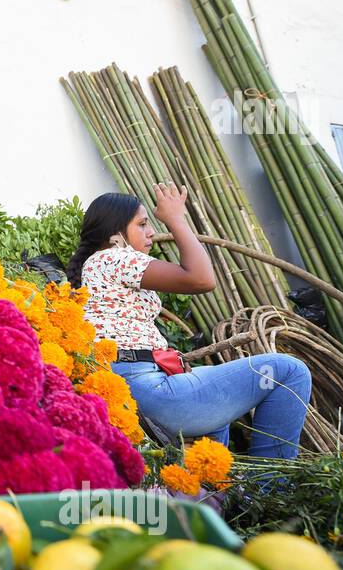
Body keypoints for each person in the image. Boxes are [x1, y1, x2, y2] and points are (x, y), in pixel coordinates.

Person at [68, 184, 312, 458]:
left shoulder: (100, 265)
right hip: (148, 388)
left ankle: (219, 497)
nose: (151, 232)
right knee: (289, 372)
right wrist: (175, 219)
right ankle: (270, 492)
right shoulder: (114, 256)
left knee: (216, 423)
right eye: (143, 224)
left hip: (141, 385)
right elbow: (201, 278)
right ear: (115, 234)